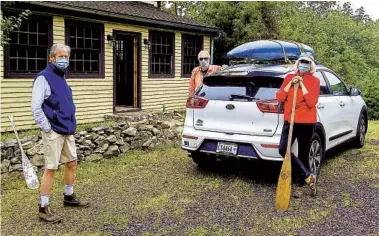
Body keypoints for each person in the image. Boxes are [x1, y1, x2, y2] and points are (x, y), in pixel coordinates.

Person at [31, 44, 89, 223]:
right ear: (52, 58)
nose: (64, 60)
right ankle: (43, 207)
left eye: (66, 56)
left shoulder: (62, 77)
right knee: (51, 167)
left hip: (67, 129)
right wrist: (47, 128)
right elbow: (36, 107)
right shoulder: (44, 78)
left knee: (72, 162)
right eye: (61, 56)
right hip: (53, 130)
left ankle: (69, 196)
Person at [276, 52, 320, 197]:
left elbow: (311, 102)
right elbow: (280, 97)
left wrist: (301, 84)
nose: (304, 65)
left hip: (307, 122)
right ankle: (308, 176)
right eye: (302, 62)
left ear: (311, 65)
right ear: (298, 63)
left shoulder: (315, 81)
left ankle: (300, 182)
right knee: (283, 149)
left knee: (303, 152)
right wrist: (290, 83)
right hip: (290, 120)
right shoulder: (289, 77)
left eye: (307, 63)